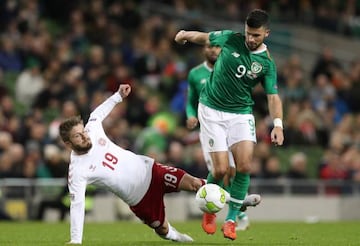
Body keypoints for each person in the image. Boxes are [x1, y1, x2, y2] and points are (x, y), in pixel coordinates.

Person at [175, 9, 284, 240]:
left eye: (256, 35)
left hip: (241, 113)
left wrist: (278, 125)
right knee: (221, 170)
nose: (250, 39)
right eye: (248, 33)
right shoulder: (231, 38)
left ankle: (232, 220)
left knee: (244, 166)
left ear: (266, 33)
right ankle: (209, 210)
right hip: (212, 109)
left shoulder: (266, 64)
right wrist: (184, 33)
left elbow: (273, 96)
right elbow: (204, 37)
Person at [59, 84, 204, 244]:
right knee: (162, 229)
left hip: (151, 171)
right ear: (68, 143)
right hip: (140, 199)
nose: (85, 136)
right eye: (78, 136)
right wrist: (75, 240)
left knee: (195, 183)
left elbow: (98, 113)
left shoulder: (92, 129)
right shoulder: (77, 171)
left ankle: (232, 200)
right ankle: (176, 236)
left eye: (83, 131)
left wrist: (118, 95)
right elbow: (77, 205)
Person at [185, 43, 251, 231]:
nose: (213, 50)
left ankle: (235, 215)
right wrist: (191, 115)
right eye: (209, 47)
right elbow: (190, 101)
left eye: (217, 47)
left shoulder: (233, 70)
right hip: (209, 129)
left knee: (233, 172)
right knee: (221, 172)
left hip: (230, 126)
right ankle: (235, 213)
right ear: (203, 50)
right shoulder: (195, 74)